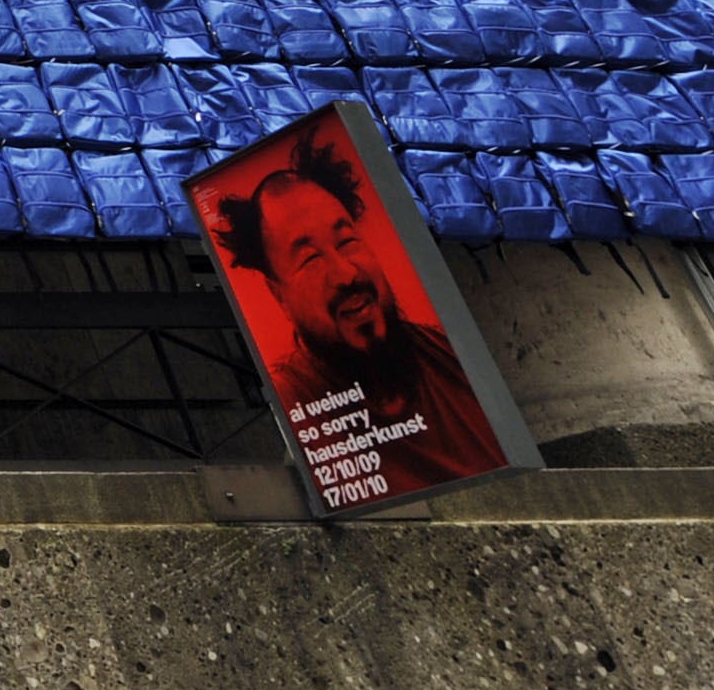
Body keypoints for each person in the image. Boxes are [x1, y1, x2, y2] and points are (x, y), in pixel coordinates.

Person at [212, 130, 512, 499]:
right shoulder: (297, 398)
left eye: (347, 241)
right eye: (310, 258)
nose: (346, 273)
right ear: (278, 294)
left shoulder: (448, 355)